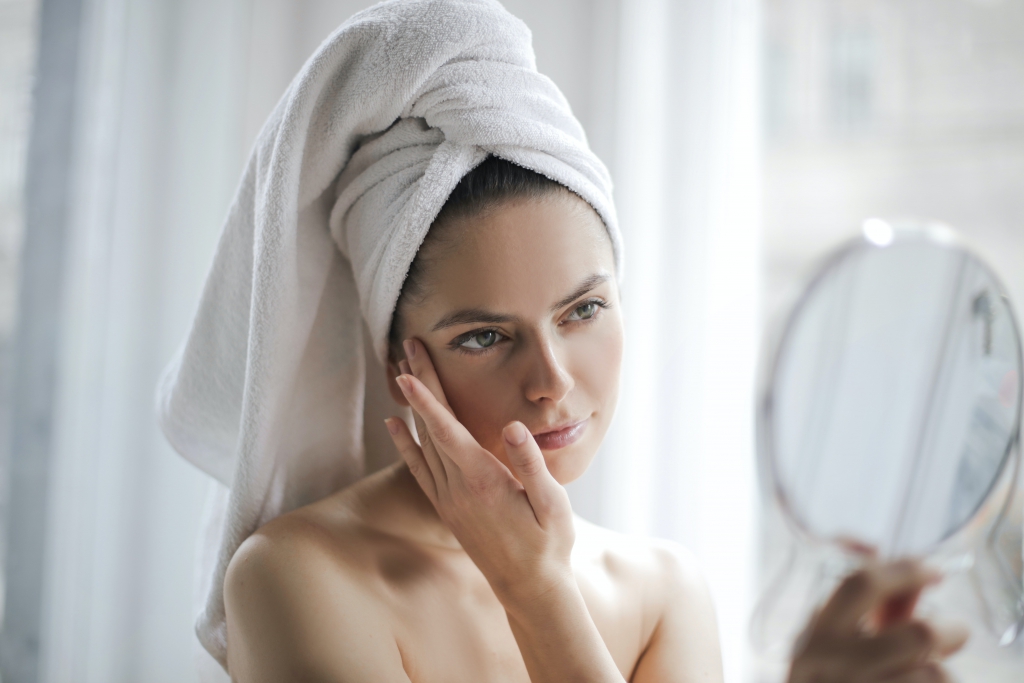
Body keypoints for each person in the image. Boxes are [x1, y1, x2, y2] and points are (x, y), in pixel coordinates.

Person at [156, 2, 968, 681]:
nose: (551, 380)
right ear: (403, 361)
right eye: (483, 335)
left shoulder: (663, 592)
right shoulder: (296, 575)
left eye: (582, 311)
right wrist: (535, 591)